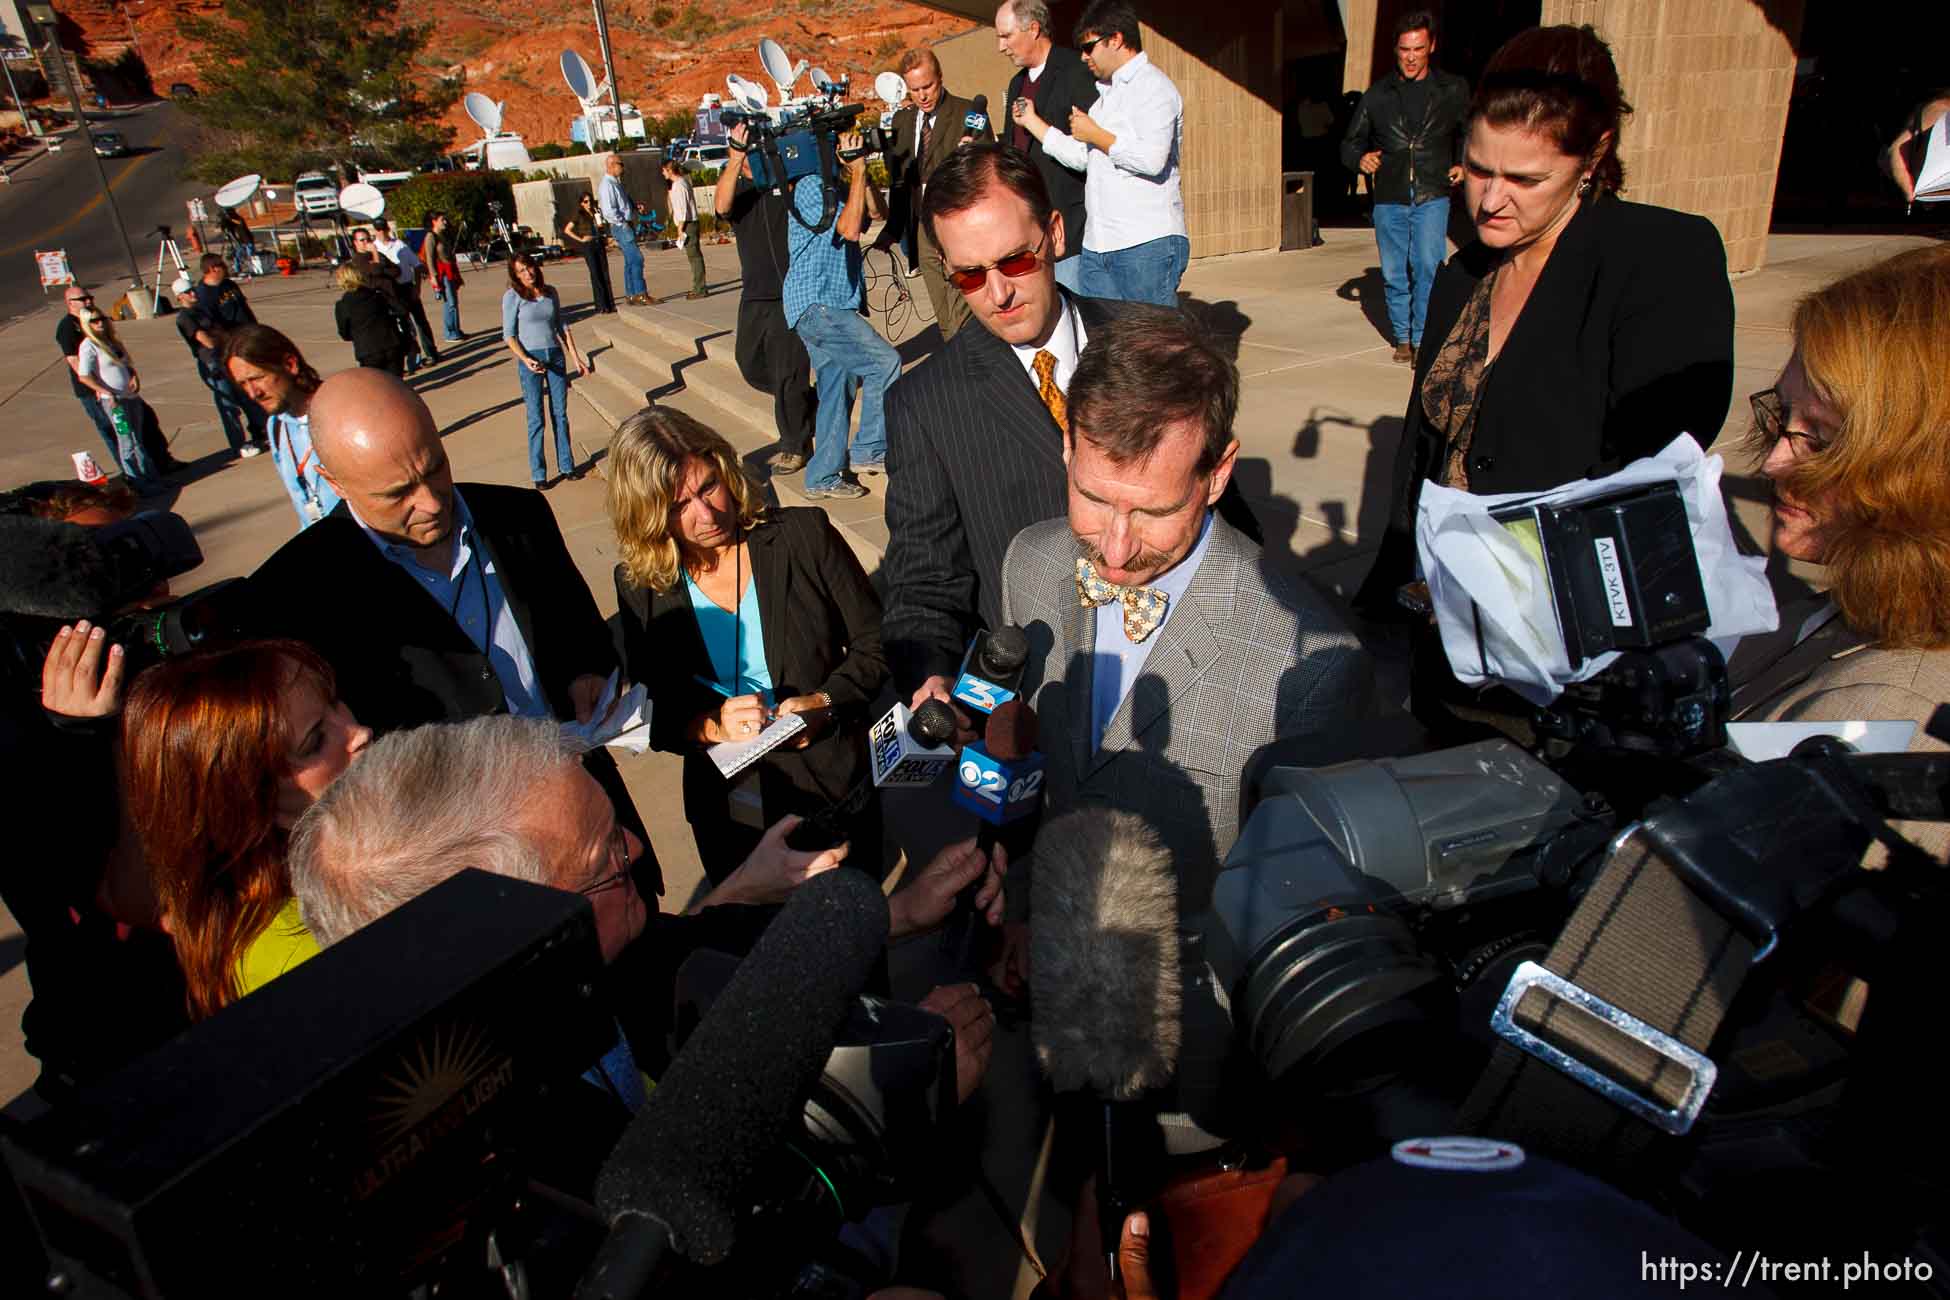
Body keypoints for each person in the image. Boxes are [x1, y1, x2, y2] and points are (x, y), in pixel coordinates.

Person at [288, 715, 1003, 1099]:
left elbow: (697, 950)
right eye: (605, 856)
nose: (636, 844)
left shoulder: (591, 967)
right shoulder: (536, 1152)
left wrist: (900, 913)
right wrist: (900, 1091)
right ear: (519, 937)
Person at [996, 306, 1372, 981]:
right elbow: (1036, 777)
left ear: (1219, 472)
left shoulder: (1313, 664)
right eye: (1092, 497)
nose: (1114, 547)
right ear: (1066, 448)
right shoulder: (1028, 564)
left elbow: (1296, 914)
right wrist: (1021, 904)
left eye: (1154, 511)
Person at [1355, 24, 1736, 616]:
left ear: (1594, 156)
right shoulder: (1464, 274)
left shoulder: (1661, 259)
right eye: (1479, 170)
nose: (1491, 200)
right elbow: (1425, 453)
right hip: (1445, 616)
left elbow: (1657, 463)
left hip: (1569, 626)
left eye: (1525, 179)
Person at [240, 368, 661, 895]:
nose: (433, 501)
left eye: (436, 466)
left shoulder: (520, 515)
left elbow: (583, 634)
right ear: (333, 482)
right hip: (469, 884)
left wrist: (587, 673)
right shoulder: (296, 594)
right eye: (398, 493)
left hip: (597, 834)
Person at [881, 144, 1259, 710]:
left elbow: (1220, 507)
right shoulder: (925, 402)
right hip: (1046, 697)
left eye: (1014, 261)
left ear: (1055, 234)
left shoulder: (1158, 336)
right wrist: (931, 675)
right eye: (968, 275)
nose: (998, 293)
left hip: (1189, 665)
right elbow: (924, 583)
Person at [1728, 245, 1950, 860]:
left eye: (1821, 439)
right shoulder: (1879, 604)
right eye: (1784, 416)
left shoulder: (1889, 721)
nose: (1773, 461)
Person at [607, 406, 889, 879]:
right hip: (728, 819)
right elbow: (653, 712)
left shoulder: (803, 536)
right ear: (648, 516)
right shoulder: (641, 585)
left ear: (724, 467)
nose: (707, 513)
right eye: (678, 507)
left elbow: (878, 642)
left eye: (709, 486)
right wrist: (712, 726)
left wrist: (826, 702)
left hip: (831, 795)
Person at [120, 640, 371, 1019]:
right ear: (249, 803)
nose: (359, 732)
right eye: (315, 741)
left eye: (335, 703)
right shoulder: (307, 953)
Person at [1012, 0, 1188, 306]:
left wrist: (1097, 135)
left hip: (1145, 243)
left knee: (1153, 345)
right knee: (1107, 345)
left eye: (1089, 47)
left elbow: (1151, 158)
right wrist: (1035, 124)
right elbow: (1083, 156)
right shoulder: (1105, 99)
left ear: (1116, 39)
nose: (1084, 56)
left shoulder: (1154, 88)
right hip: (1099, 246)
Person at [1338, 9, 1469, 364]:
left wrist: (1463, 163)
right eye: (1404, 50)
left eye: (1418, 49)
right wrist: (1360, 159)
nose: (1410, 57)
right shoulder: (1378, 94)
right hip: (1390, 196)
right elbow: (1350, 143)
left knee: (1427, 264)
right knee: (1395, 273)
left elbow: (1469, 132)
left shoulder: (1452, 90)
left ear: (1431, 47)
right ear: (1396, 50)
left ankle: (1424, 336)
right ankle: (1403, 338)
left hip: (1431, 192)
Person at [784, 130, 901, 501]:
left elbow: (877, 214)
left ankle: (823, 475)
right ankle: (870, 447)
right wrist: (856, 170)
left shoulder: (837, 184)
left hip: (822, 304)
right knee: (885, 363)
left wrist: (859, 171)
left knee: (838, 385)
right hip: (818, 303)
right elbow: (850, 229)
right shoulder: (810, 185)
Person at [715, 120, 817, 473]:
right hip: (755, 295)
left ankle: (794, 445)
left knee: (788, 372)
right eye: (747, 155)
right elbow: (721, 205)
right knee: (750, 364)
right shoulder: (740, 191)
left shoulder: (786, 187)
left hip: (789, 293)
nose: (750, 160)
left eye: (755, 153)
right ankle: (804, 403)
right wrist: (733, 160)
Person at [888, 47, 995, 339]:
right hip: (922, 226)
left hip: (959, 223)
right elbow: (899, 182)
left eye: (928, 86)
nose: (922, 96)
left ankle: (967, 353)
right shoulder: (902, 121)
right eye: (914, 90)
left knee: (965, 296)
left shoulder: (968, 114)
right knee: (942, 304)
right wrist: (892, 229)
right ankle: (955, 350)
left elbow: (988, 171)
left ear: (940, 79)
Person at [996, 0, 1098, 294]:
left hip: (1071, 228)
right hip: (1030, 232)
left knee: (1079, 315)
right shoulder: (1016, 84)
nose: (1001, 47)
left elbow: (1088, 153)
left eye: (1006, 36)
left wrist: (1035, 123)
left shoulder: (1074, 71)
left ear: (1033, 29)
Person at [222, 324, 342, 529]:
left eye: (257, 378)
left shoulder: (342, 410)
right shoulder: (277, 426)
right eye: (243, 384)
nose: (252, 393)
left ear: (290, 364)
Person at [502, 251, 589, 489]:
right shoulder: (512, 297)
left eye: (528, 267)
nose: (527, 273)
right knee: (536, 418)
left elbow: (561, 324)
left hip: (555, 356)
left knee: (560, 414)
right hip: (531, 360)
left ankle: (567, 465)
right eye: (521, 271)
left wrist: (576, 358)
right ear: (515, 275)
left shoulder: (550, 292)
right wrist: (525, 359)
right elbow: (508, 335)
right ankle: (539, 473)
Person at [170, 273, 260, 460]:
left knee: (246, 397)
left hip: (225, 358)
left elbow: (219, 331)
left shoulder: (202, 310)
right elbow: (206, 340)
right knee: (228, 405)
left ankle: (259, 431)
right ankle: (238, 445)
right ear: (179, 297)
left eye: (193, 289)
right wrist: (221, 340)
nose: (193, 294)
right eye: (187, 292)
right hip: (212, 365)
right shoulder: (185, 317)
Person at [75, 307, 164, 494]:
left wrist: (134, 377)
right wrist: (106, 392)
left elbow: (126, 366)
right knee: (127, 442)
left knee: (139, 439)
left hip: (131, 397)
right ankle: (137, 483)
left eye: (101, 319)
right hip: (114, 403)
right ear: (86, 325)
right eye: (94, 321)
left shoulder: (112, 341)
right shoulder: (88, 346)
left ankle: (152, 478)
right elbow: (84, 376)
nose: (99, 323)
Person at [55, 284, 128, 473]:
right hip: (92, 392)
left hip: (111, 385)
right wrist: (95, 386)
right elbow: (73, 360)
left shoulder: (91, 319)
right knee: (111, 430)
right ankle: (128, 470)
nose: (89, 302)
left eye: (90, 298)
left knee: (127, 428)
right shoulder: (67, 328)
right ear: (70, 303)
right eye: (83, 299)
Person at [372, 218, 442, 369]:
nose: (382, 232)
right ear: (375, 231)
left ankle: (431, 352)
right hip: (391, 291)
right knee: (403, 326)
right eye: (379, 229)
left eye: (383, 229)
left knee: (421, 322)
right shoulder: (374, 249)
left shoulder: (399, 245)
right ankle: (413, 358)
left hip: (407, 287)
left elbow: (416, 265)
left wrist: (417, 288)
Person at [333, 259, 409, 376]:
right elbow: (402, 311)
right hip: (391, 344)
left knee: (378, 386)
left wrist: (357, 334)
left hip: (367, 350)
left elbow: (345, 334)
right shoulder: (378, 295)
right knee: (396, 383)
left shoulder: (342, 305)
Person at [599, 152, 651, 305]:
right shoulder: (607, 185)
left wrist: (634, 207)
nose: (623, 167)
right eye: (620, 164)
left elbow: (623, 202)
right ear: (611, 166)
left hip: (624, 223)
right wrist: (622, 223)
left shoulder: (615, 183)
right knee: (636, 258)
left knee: (630, 261)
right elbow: (609, 210)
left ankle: (631, 294)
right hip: (621, 226)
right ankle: (640, 293)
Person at [562, 190, 615, 314]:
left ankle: (610, 304)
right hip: (588, 245)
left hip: (599, 243)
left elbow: (601, 227)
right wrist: (581, 239)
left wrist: (606, 236)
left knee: (604, 273)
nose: (589, 203)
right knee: (595, 274)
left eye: (590, 200)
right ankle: (601, 306)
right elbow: (567, 230)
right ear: (581, 203)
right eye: (586, 201)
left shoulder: (596, 212)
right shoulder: (578, 214)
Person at [663, 158, 708, 300]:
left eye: (664, 170)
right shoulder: (678, 184)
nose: (663, 173)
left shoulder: (680, 185)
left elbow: (682, 209)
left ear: (670, 170)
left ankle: (700, 288)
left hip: (688, 223)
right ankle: (698, 286)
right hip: (687, 223)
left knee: (694, 257)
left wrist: (680, 228)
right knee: (693, 256)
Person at [423, 210, 466, 342]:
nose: (445, 222)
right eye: (442, 220)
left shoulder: (442, 235)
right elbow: (429, 258)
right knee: (450, 303)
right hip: (442, 274)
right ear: (434, 222)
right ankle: (450, 332)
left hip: (450, 271)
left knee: (453, 302)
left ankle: (456, 330)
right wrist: (434, 276)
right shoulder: (430, 237)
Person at [218, 205, 257, 279]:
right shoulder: (230, 222)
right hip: (240, 242)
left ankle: (253, 269)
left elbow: (239, 222)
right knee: (237, 256)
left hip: (247, 240)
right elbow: (226, 227)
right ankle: (237, 270)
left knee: (251, 256)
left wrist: (230, 219)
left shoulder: (239, 219)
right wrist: (224, 223)